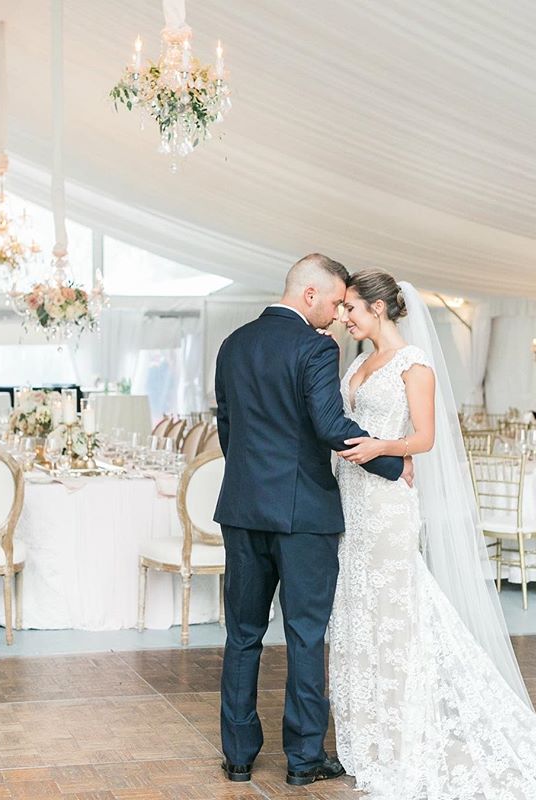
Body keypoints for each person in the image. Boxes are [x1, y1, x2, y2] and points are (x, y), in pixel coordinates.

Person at [329, 268, 536, 799]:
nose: (347, 316)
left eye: (353, 308)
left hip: (386, 505)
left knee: (396, 614)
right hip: (352, 502)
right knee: (359, 610)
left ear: (378, 308)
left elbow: (424, 437)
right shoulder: (360, 360)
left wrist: (383, 449)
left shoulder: (415, 364)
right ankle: (368, 736)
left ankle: (404, 735)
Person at [213, 253, 412, 786]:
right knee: (304, 636)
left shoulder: (233, 344)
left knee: (242, 635)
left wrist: (253, 480)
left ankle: (237, 756)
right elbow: (329, 424)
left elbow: (226, 427)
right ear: (308, 295)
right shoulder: (315, 347)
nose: (336, 315)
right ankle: (303, 760)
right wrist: (394, 463)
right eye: (332, 302)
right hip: (303, 516)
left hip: (242, 509)